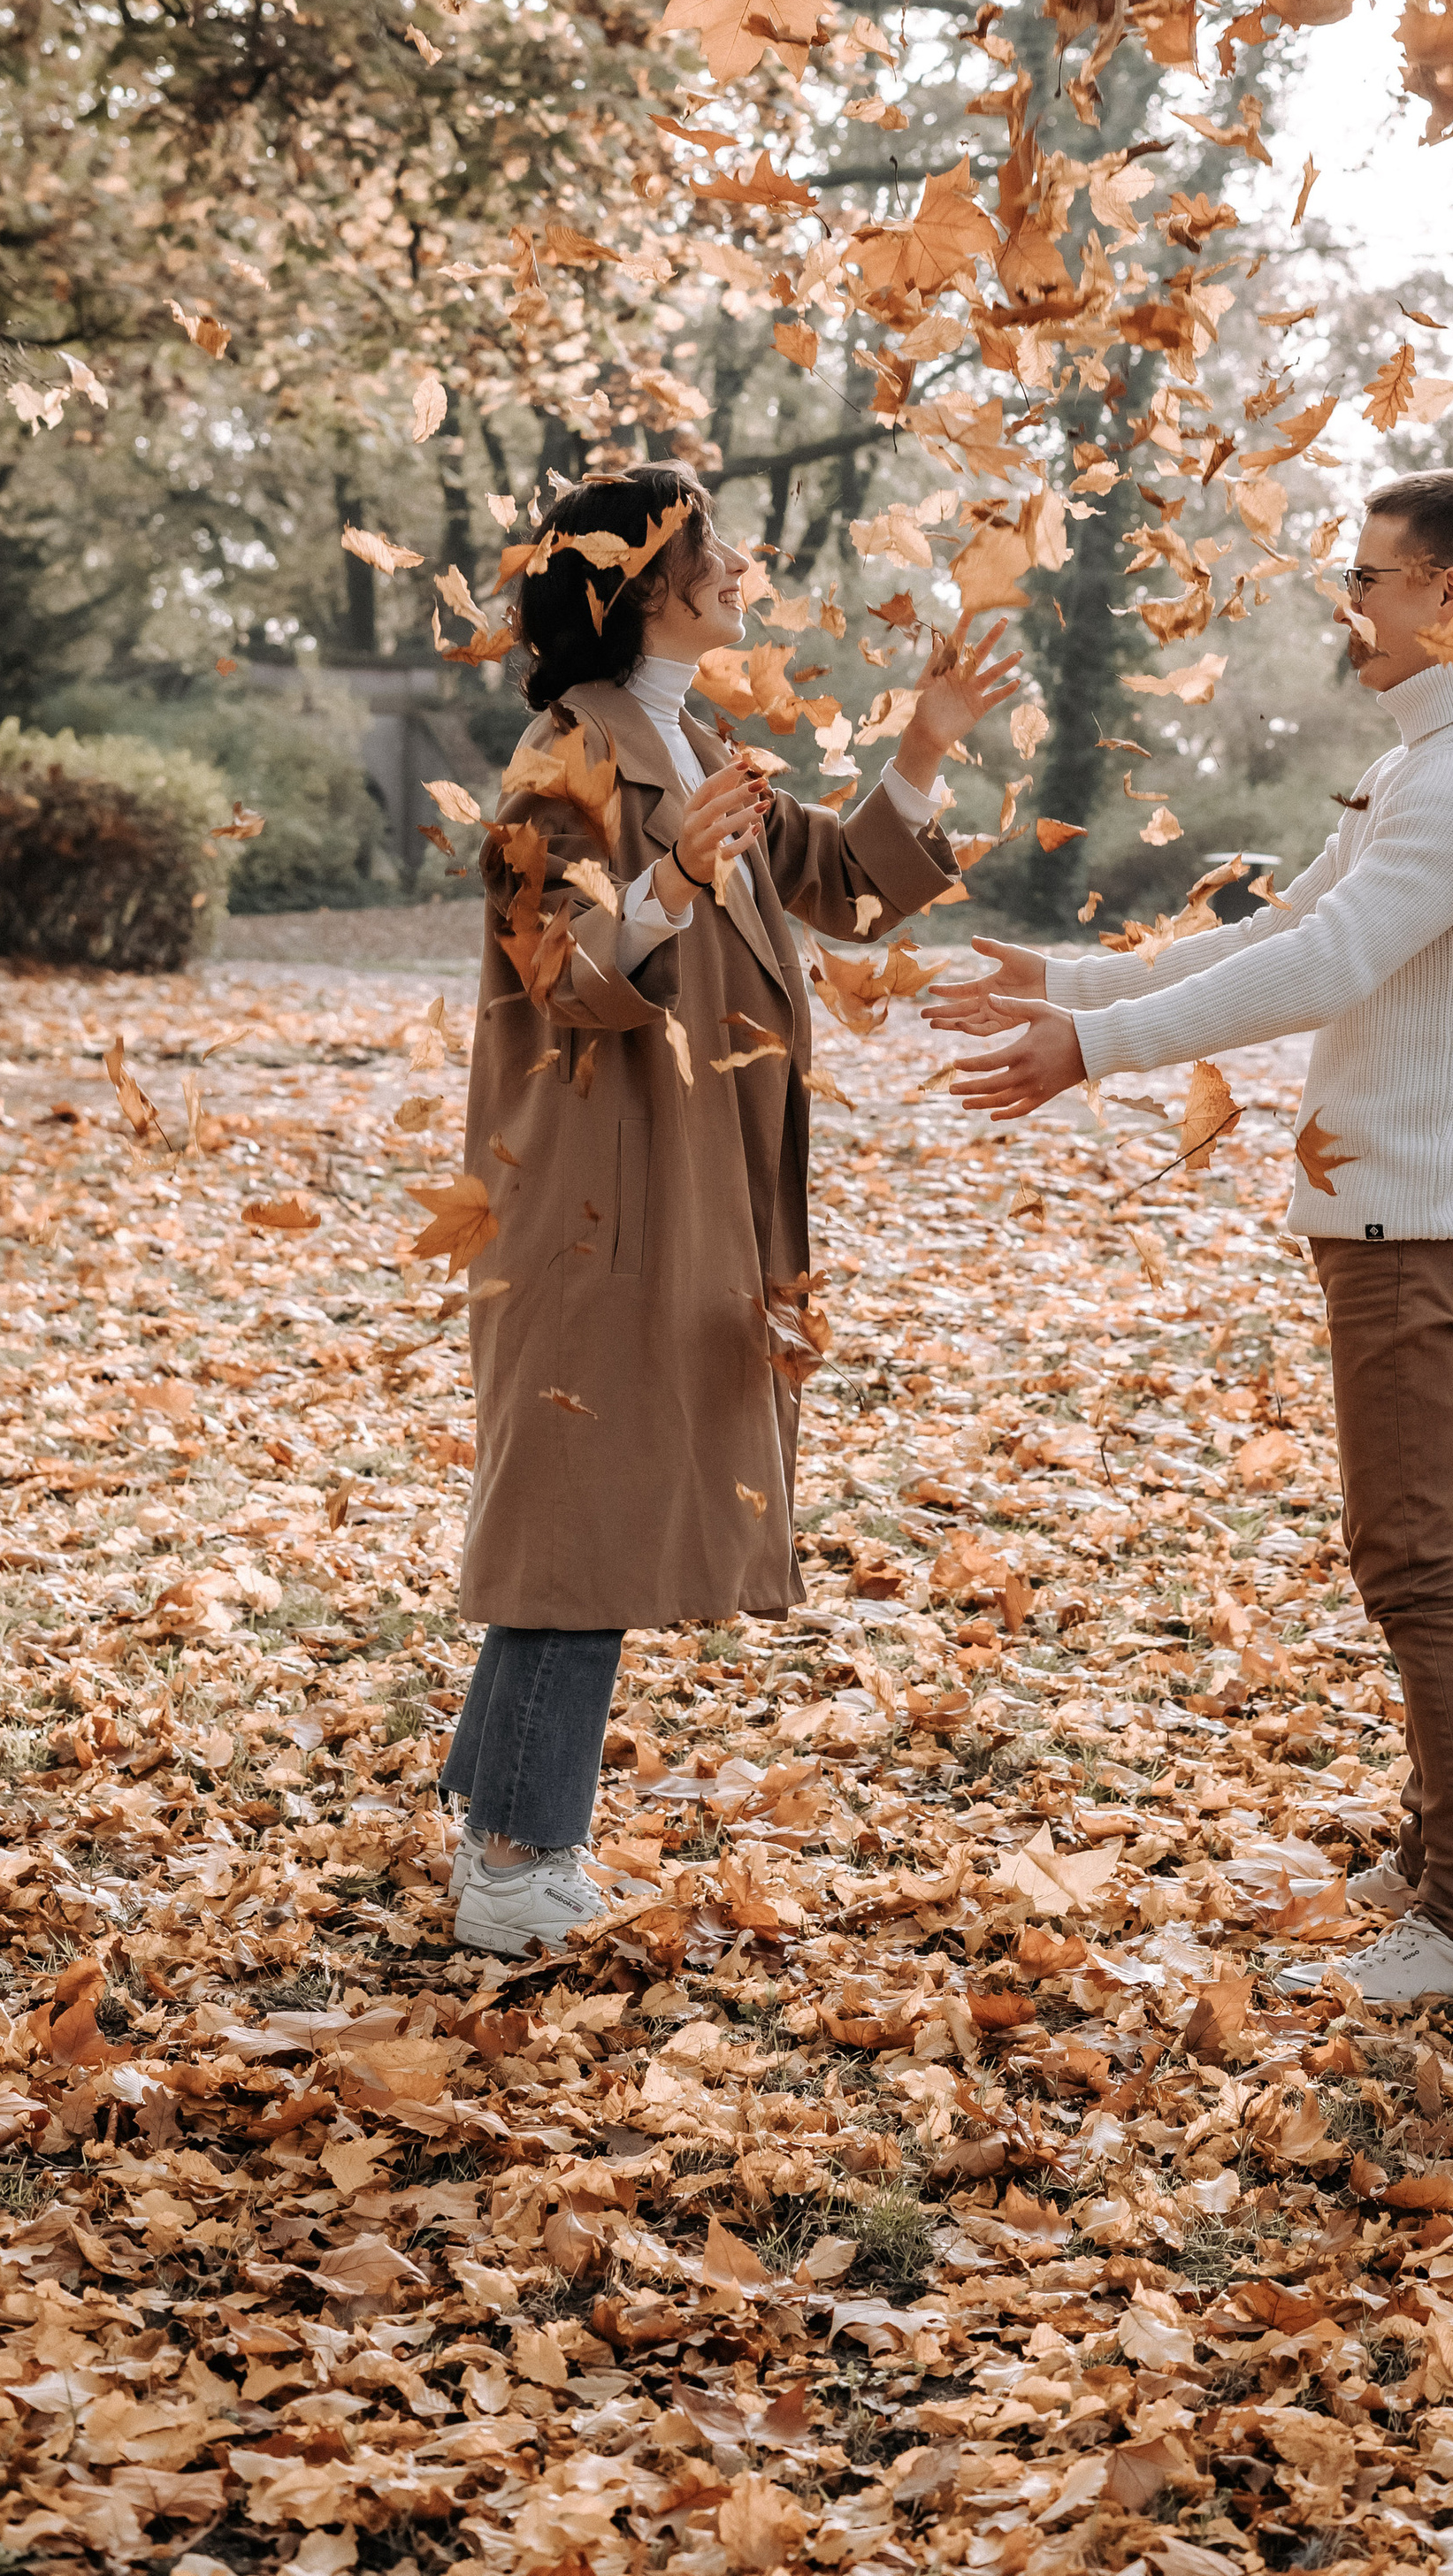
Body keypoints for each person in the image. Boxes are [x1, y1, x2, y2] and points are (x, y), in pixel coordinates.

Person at [930, 470, 1453, 2005]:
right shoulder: (1431, 765)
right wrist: (1073, 986)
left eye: (1374, 577)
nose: (1348, 603)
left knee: (1415, 1568)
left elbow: (1334, 961)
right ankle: (1439, 1857)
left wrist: (1093, 1054)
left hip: (1422, 1221)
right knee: (1406, 1555)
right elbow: (1287, 924)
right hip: (1391, 1212)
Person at [443, 464, 1020, 1956]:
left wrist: (927, 748)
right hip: (598, 1202)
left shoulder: (684, 738)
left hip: (676, 1192)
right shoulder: (561, 765)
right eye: (710, 550)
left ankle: (498, 1818)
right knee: (583, 1517)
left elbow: (839, 881)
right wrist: (675, 884)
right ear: (636, 585)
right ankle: (514, 1867)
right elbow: (553, 971)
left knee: (595, 1505)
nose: (739, 568)